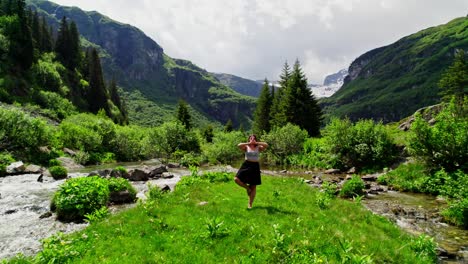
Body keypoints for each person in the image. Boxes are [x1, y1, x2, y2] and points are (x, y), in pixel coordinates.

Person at [234, 134, 268, 209]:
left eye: (254, 138)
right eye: (251, 138)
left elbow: (266, 145)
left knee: (254, 185)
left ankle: (250, 204)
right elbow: (239, 145)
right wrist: (248, 143)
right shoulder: (246, 147)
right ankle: (247, 188)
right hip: (246, 165)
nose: (252, 139)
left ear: (256, 139)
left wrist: (257, 143)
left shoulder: (258, 147)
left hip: (255, 166)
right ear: (249, 139)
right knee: (236, 179)